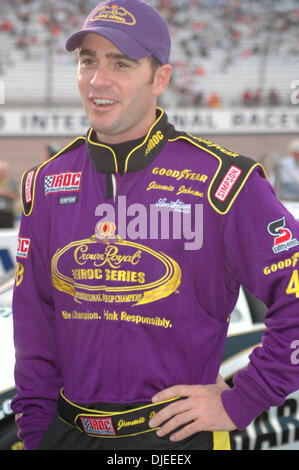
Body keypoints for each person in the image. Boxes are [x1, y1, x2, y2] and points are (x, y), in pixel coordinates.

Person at [11, 0, 299, 451]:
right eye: (88, 61)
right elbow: (33, 326)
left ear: (160, 78)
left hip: (178, 440)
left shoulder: (222, 182)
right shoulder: (47, 183)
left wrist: (247, 396)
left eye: (120, 63)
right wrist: (35, 435)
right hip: (65, 435)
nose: (98, 80)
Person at [0, 161, 19, 228]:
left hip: (7, 212)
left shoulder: (12, 182)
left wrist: (4, 192)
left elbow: (16, 197)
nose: (1, 173)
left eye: (3, 171)